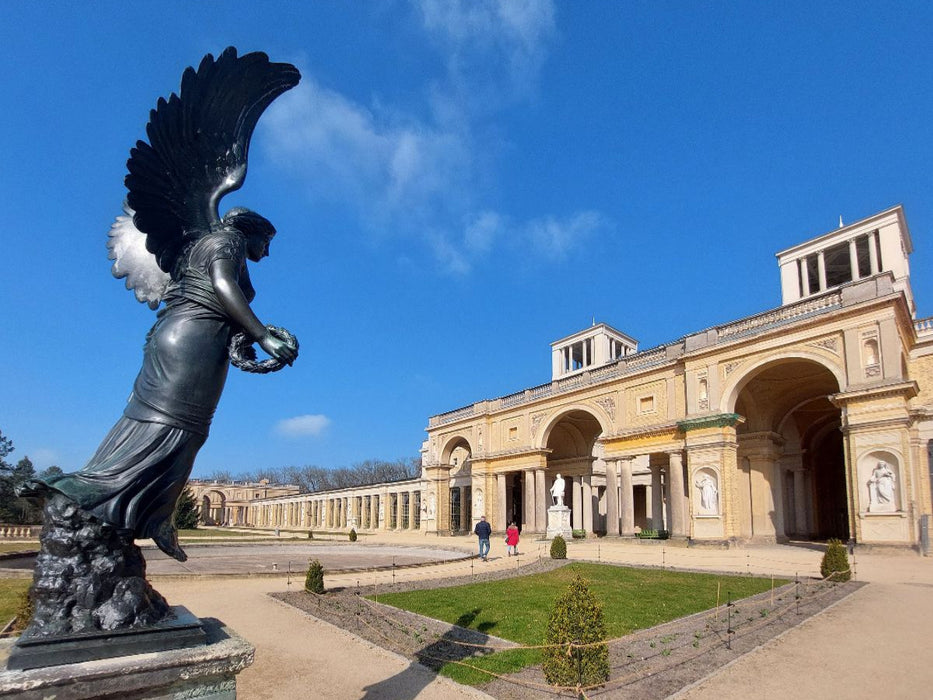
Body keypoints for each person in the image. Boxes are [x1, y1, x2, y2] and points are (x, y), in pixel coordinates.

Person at [36, 211, 297, 562]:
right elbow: (223, 286)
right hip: (194, 338)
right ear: (251, 232)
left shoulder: (207, 246)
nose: (266, 253)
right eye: (266, 243)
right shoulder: (226, 240)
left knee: (168, 421)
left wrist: (244, 339)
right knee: (181, 426)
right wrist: (262, 335)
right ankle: (104, 495)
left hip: (186, 335)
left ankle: (142, 510)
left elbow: (217, 296)